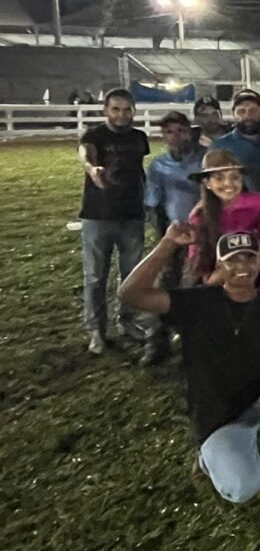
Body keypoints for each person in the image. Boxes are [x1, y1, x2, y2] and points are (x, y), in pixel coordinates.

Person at [118, 226, 260, 504]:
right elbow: (131, 295)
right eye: (233, 259)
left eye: (250, 258)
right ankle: (208, 459)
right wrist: (167, 244)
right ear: (219, 264)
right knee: (243, 489)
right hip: (216, 418)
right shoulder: (197, 302)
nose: (242, 266)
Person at [77, 88, 152, 355]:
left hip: (132, 215)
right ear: (105, 111)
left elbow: (139, 172)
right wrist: (91, 168)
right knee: (96, 275)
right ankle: (96, 329)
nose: (121, 115)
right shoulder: (94, 135)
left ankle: (127, 321)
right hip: (98, 215)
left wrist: (148, 204)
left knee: (132, 274)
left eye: (126, 109)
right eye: (116, 109)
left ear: (133, 110)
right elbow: (85, 153)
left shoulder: (139, 138)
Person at [141, 111, 205, 365]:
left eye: (180, 130)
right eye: (169, 132)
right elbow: (153, 203)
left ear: (190, 131)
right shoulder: (158, 166)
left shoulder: (203, 160)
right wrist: (162, 238)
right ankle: (157, 342)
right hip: (171, 232)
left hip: (200, 235)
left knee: (193, 288)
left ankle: (191, 343)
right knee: (162, 285)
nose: (175, 136)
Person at [188, 150, 260, 289]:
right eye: (219, 178)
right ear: (207, 183)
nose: (228, 183)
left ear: (242, 180)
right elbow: (197, 258)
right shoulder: (200, 215)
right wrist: (209, 283)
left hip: (257, 283)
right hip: (216, 286)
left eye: (234, 177)